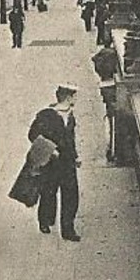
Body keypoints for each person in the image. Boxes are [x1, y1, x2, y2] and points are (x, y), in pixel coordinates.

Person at [28, 84, 81, 241]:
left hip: (68, 162)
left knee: (71, 195)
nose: (76, 99)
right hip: (51, 163)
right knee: (49, 193)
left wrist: (76, 156)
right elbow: (32, 135)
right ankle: (44, 221)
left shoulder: (70, 116)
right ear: (68, 98)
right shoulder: (46, 115)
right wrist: (50, 150)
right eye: (74, 96)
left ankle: (68, 229)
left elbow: (71, 140)